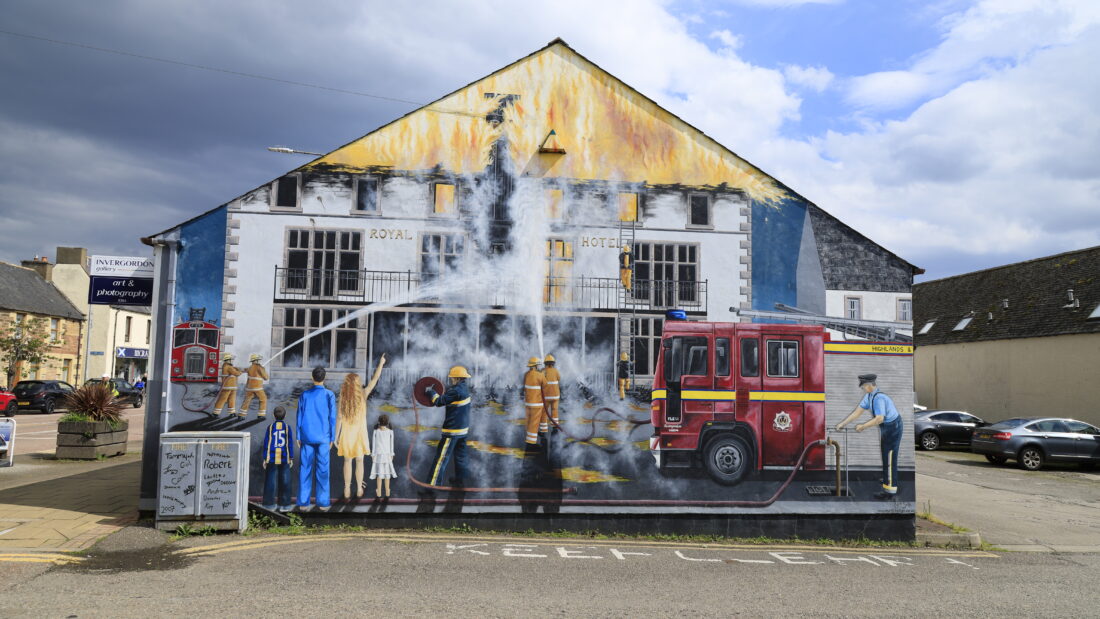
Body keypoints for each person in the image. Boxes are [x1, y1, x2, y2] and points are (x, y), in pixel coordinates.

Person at [835, 373, 902, 500]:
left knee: (890, 455)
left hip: (893, 426)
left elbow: (879, 419)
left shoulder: (879, 398)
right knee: (885, 454)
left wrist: (863, 426)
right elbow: (857, 412)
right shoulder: (869, 396)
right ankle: (888, 479)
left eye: (864, 386)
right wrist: (843, 423)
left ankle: (890, 490)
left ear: (870, 385)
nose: (863, 388)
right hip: (886, 426)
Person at [335, 354, 386, 500]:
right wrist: (381, 363)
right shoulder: (363, 394)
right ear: (357, 384)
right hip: (360, 434)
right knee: (360, 461)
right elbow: (374, 380)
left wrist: (336, 436)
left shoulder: (343, 399)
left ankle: (346, 489)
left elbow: (339, 417)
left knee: (347, 461)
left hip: (346, 434)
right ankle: (358, 489)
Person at [421, 365, 473, 493]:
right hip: (463, 431)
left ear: (456, 378)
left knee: (441, 459)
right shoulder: (464, 389)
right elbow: (451, 396)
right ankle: (460, 482)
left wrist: (430, 391)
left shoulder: (454, 391)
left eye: (452, 378)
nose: (450, 380)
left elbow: (438, 402)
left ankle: (431, 488)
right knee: (460, 456)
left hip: (452, 431)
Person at [296, 366, 337, 510]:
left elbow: (299, 416)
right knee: (323, 470)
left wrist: (298, 435)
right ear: (324, 378)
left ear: (312, 377)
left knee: (305, 468)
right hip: (324, 438)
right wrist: (333, 437)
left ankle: (303, 502)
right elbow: (332, 418)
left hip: (306, 436)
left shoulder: (304, 395)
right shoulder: (329, 395)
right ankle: (323, 502)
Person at [261, 406, 294, 512]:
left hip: (272, 458)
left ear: (273, 415)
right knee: (285, 481)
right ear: (285, 416)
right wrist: (291, 457)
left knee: (270, 481)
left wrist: (265, 458)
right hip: (284, 458)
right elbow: (290, 444)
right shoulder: (287, 427)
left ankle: (268, 504)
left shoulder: (270, 427)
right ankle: (285, 505)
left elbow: (267, 443)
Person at [522, 357, 548, 447]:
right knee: (534, 422)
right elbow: (545, 384)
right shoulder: (540, 375)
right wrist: (544, 375)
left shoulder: (526, 375)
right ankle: (531, 442)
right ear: (536, 366)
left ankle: (529, 438)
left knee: (529, 421)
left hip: (528, 403)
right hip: (536, 404)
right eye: (538, 365)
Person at [370, 414, 396, 498]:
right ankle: (387, 491)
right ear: (387, 422)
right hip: (387, 455)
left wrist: (373, 454)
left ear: (379, 422)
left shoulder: (376, 431)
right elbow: (392, 444)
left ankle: (379, 492)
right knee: (387, 474)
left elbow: (373, 444)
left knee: (379, 475)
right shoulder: (390, 431)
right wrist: (392, 454)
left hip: (378, 455)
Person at [239, 354, 269, 418]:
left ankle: (241, 415)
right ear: (257, 360)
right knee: (263, 399)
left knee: (247, 400)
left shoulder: (250, 367)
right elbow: (266, 377)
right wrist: (264, 370)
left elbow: (243, 370)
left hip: (249, 388)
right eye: (259, 360)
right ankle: (261, 415)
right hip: (258, 387)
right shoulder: (260, 367)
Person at [542, 354, 562, 431]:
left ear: (545, 363)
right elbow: (559, 378)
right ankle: (555, 426)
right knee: (554, 410)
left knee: (544, 411)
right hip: (555, 396)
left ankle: (543, 428)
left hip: (546, 396)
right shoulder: (556, 371)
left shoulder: (543, 371)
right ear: (553, 363)